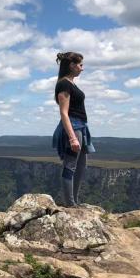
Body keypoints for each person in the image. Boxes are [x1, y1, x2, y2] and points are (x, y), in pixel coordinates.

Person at [52, 52, 95, 207]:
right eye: (80, 65)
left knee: (81, 166)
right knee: (70, 165)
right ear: (72, 65)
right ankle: (70, 204)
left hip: (81, 127)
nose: (82, 69)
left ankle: (73, 201)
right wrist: (72, 137)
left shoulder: (71, 83)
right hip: (74, 126)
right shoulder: (64, 84)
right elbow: (64, 112)